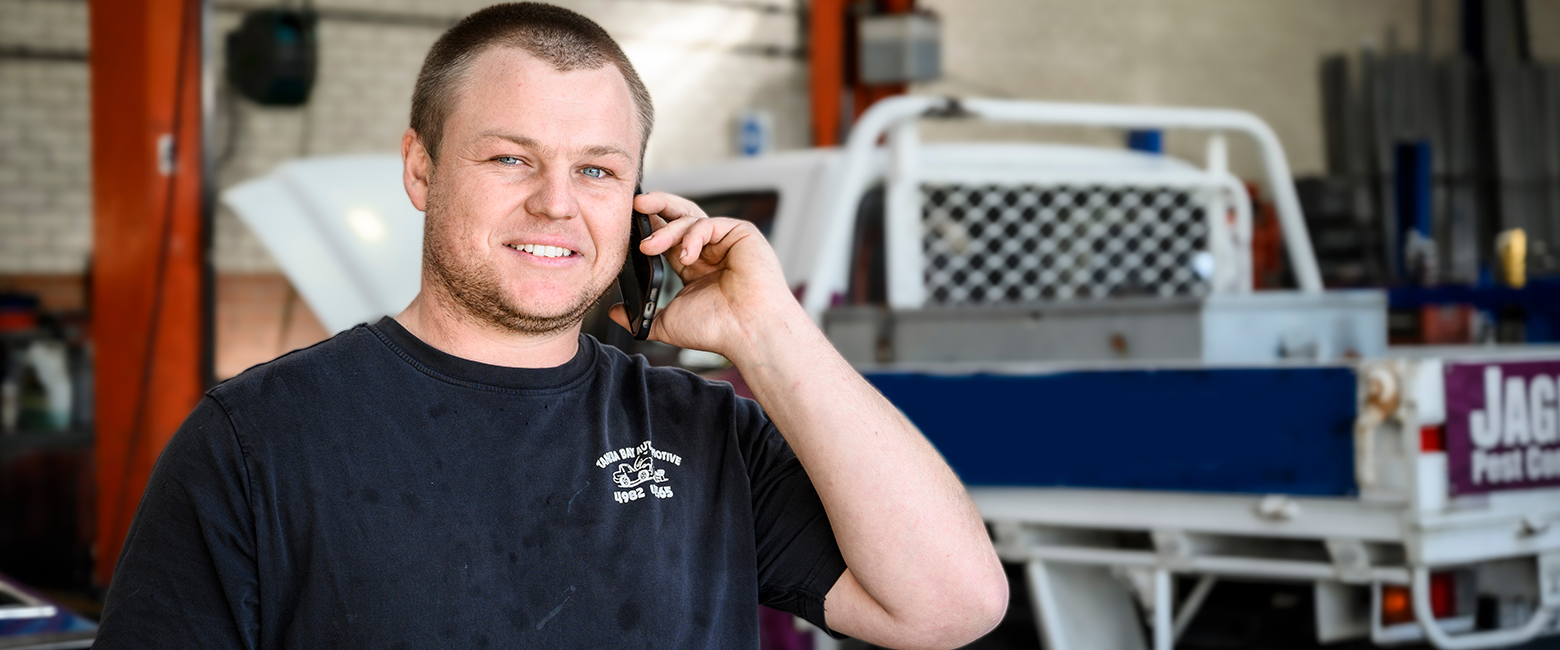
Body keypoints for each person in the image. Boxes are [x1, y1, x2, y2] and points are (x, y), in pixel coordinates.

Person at [94, 3, 1006, 648]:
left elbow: (951, 605)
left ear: (641, 196)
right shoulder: (259, 438)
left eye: (599, 171)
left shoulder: (703, 433)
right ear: (421, 170)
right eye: (509, 157)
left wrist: (771, 332)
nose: (556, 204)